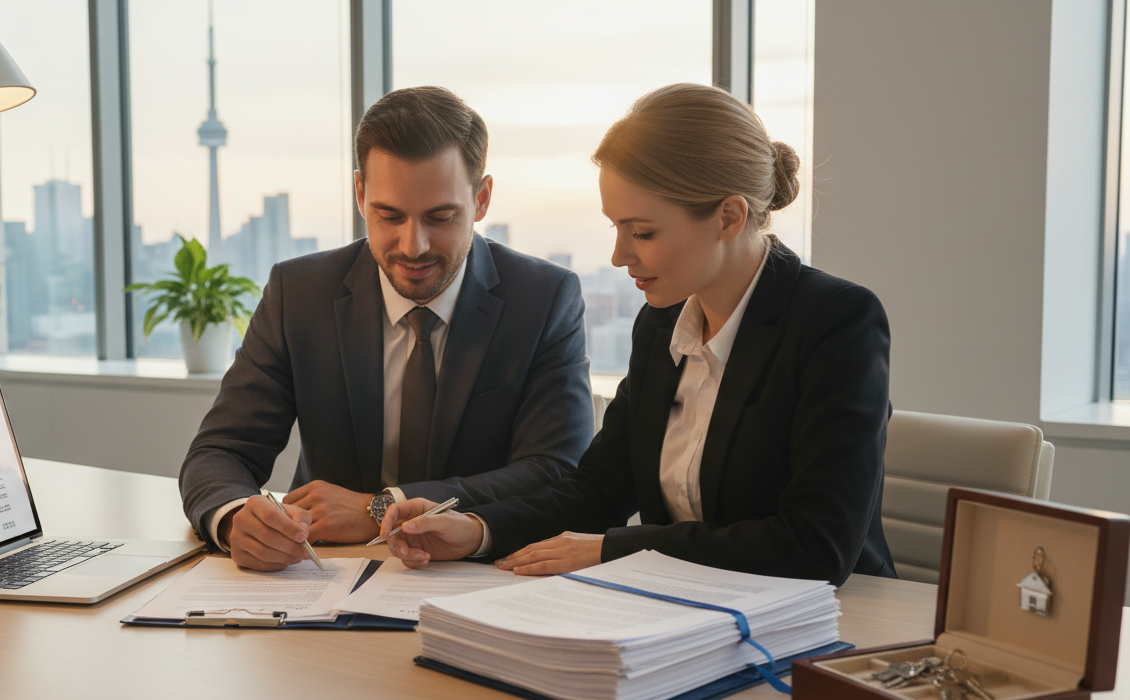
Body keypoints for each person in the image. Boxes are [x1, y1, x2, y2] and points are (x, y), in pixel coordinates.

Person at [381, 83, 896, 587]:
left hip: (835, 622)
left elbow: (816, 544)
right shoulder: (662, 323)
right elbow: (599, 488)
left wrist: (612, 550)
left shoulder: (836, 322)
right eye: (616, 229)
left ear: (729, 217)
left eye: (643, 232)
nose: (619, 256)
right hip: (685, 611)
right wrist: (477, 529)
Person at [180, 86, 595, 570]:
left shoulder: (543, 299)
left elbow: (556, 469)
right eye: (389, 215)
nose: (413, 245)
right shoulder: (299, 293)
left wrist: (378, 507)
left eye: (440, 217)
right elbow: (220, 449)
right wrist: (234, 520)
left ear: (481, 199)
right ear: (360, 195)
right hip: (325, 574)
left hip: (478, 575)